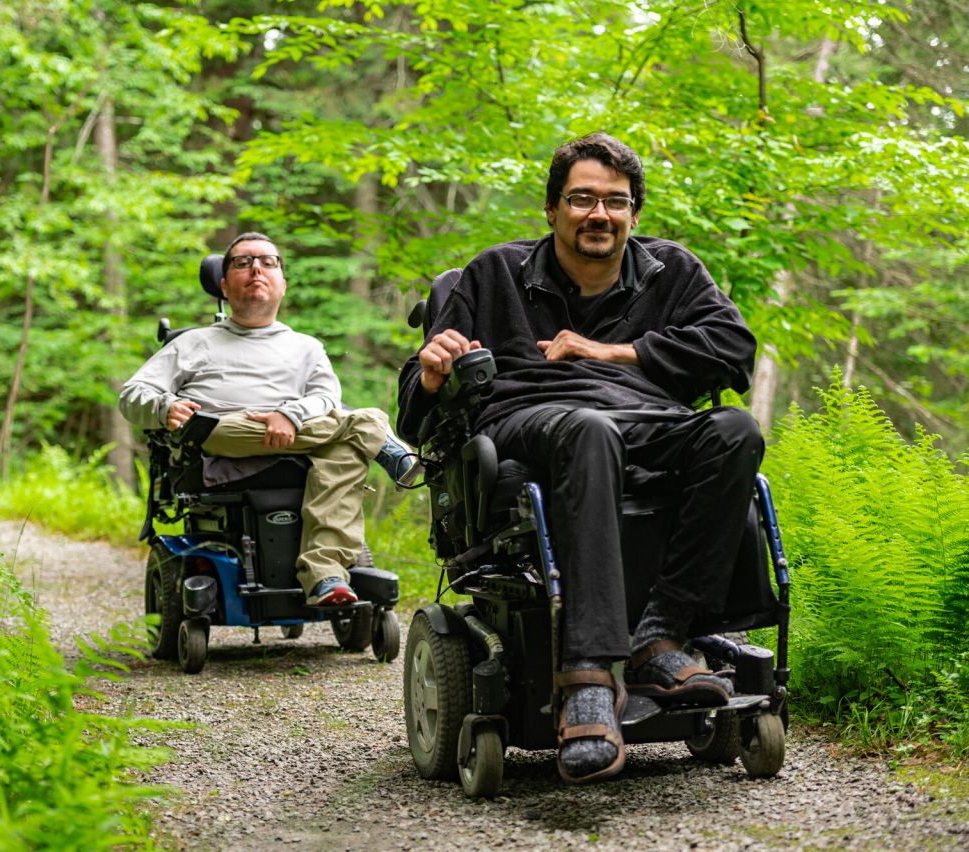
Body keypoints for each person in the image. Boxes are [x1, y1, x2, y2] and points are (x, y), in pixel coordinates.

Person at [398, 133, 763, 784]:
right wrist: (429, 376)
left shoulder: (671, 271)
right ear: (553, 209)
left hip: (650, 416)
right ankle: (588, 677)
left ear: (634, 214)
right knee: (591, 429)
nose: (600, 214)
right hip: (530, 416)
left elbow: (735, 352)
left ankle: (661, 634)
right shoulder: (489, 274)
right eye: (583, 199)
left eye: (616, 202)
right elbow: (412, 417)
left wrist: (613, 351)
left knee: (736, 430)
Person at [120, 232, 417, 608]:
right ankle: (384, 441)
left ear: (283, 283)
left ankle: (325, 575)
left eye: (268, 262)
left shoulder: (306, 347)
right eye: (242, 262)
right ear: (225, 285)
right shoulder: (192, 343)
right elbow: (132, 395)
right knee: (359, 424)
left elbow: (326, 398)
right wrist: (164, 407)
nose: (256, 268)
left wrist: (288, 416)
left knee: (344, 451)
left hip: (300, 440)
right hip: (223, 433)